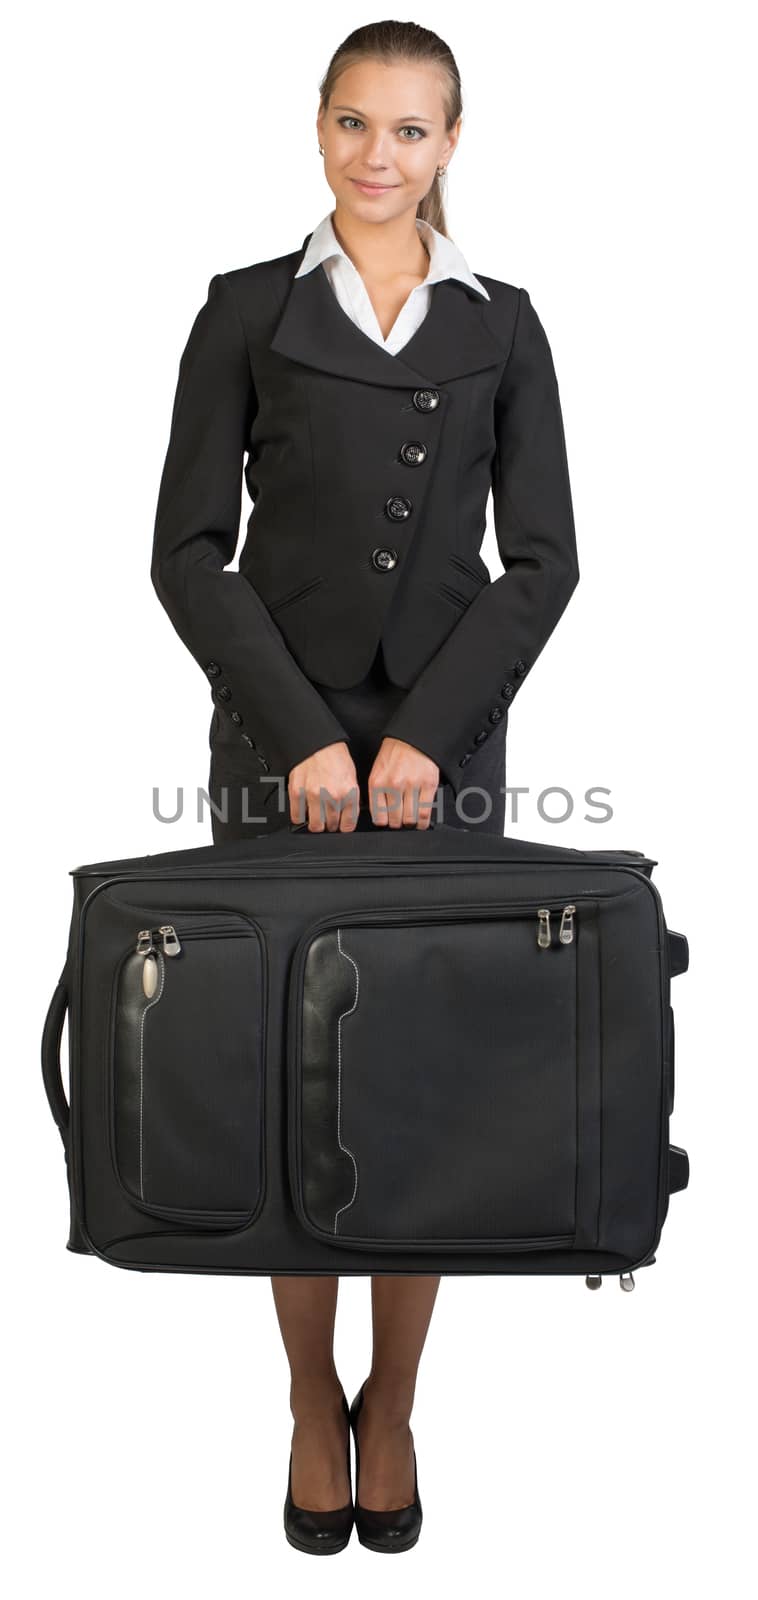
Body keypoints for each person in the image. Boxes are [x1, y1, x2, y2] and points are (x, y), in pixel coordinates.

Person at [151, 19, 579, 1555]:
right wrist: (302, 739)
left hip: (445, 756)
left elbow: (543, 565)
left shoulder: (505, 321)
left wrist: (422, 741)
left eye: (409, 130)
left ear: (451, 142)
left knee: (420, 1097)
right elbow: (185, 554)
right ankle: (302, 1393)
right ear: (316, 132)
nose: (377, 157)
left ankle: (391, 1402)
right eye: (352, 125)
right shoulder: (244, 311)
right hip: (278, 747)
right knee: (289, 1085)